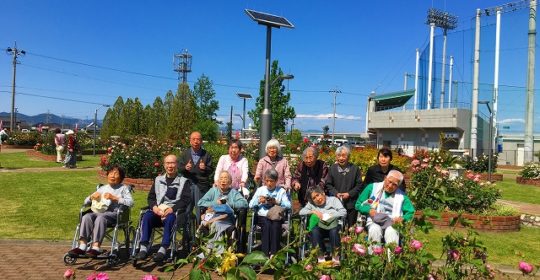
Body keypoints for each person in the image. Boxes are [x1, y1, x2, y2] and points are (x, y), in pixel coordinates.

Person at [67, 165, 134, 258]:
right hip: (98, 212)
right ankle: (82, 246)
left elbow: (131, 202)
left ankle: (95, 247)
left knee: (100, 218)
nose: (112, 175)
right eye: (110, 173)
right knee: (86, 216)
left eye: (116, 173)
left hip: (115, 214)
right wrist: (91, 197)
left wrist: (115, 198)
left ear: (121, 177)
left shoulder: (123, 188)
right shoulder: (102, 188)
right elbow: (85, 202)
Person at [136, 154, 192, 263]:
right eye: (167, 163)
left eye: (172, 163)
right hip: (158, 211)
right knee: (147, 216)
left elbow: (185, 200)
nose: (170, 166)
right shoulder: (158, 180)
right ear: (164, 165)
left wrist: (172, 209)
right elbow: (151, 197)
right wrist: (154, 207)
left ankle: (163, 249)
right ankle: (143, 248)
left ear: (177, 165)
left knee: (170, 218)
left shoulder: (184, 181)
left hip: (174, 213)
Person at [355, 170, 415, 250]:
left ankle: (391, 260)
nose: (390, 186)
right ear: (385, 178)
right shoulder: (372, 187)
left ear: (398, 186)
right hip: (374, 220)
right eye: (389, 181)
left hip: (392, 222)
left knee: (392, 232)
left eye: (394, 185)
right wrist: (368, 210)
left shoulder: (402, 196)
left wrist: (402, 218)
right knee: (374, 229)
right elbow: (358, 204)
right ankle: (374, 258)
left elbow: (411, 212)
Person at [199, 171, 248, 249]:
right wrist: (215, 203)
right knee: (215, 224)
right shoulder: (213, 191)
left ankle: (212, 250)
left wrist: (229, 203)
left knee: (216, 224)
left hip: (227, 219)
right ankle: (215, 250)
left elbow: (244, 203)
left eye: (226, 178)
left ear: (230, 182)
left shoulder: (233, 192)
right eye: (221, 178)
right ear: (218, 181)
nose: (223, 180)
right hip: (213, 216)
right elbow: (201, 202)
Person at [249, 169, 291, 256]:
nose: (269, 183)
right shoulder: (260, 190)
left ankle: (273, 253)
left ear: (276, 181)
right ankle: (265, 253)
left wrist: (276, 202)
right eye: (267, 181)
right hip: (263, 216)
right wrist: (259, 200)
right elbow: (251, 205)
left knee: (275, 226)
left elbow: (288, 205)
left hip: (276, 216)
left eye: (271, 181)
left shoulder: (281, 191)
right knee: (267, 226)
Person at [299, 187, 346, 264]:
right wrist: (313, 211)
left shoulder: (333, 200)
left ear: (323, 193)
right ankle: (321, 258)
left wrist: (329, 215)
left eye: (318, 195)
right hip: (321, 227)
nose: (317, 199)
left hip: (333, 225)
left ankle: (336, 258)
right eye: (314, 198)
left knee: (334, 231)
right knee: (314, 231)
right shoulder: (311, 204)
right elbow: (301, 212)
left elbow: (343, 212)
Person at [179, 131, 214, 221]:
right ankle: (187, 228)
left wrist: (205, 168)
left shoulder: (206, 154)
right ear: (190, 141)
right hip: (188, 184)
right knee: (187, 208)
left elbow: (211, 170)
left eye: (198, 139)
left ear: (201, 141)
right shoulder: (185, 154)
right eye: (193, 139)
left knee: (201, 208)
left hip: (201, 185)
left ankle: (200, 228)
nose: (196, 141)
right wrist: (185, 168)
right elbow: (179, 168)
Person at [326, 146, 363, 227]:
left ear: (348, 157)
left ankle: (350, 238)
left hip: (351, 202)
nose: (341, 158)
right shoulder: (332, 169)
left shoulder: (355, 169)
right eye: (338, 156)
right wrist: (336, 193)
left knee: (351, 226)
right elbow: (328, 184)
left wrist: (349, 194)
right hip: (336, 202)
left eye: (343, 155)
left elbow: (359, 185)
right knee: (336, 226)